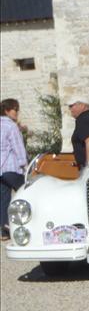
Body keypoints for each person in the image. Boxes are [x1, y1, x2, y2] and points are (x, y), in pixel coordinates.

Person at [1, 99, 27, 241]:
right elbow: (18, 148)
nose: (17, 112)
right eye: (15, 109)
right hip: (11, 168)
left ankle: (5, 232)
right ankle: (30, 225)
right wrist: (25, 166)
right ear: (6, 111)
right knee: (27, 193)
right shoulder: (11, 126)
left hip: (1, 170)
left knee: (3, 200)